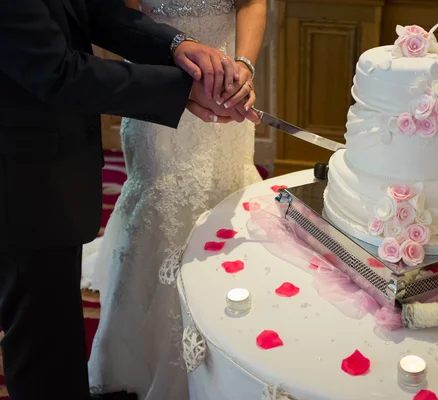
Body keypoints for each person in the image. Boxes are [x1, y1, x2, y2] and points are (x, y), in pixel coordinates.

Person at [0, 1, 257, 399]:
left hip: (50, 168)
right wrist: (178, 88)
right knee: (39, 336)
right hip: (20, 175)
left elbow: (90, 11)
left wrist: (175, 44)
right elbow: (58, 71)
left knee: (55, 323)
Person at [87, 0, 267, 398]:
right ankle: (146, 355)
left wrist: (243, 67)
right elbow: (120, 20)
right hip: (158, 92)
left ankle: (230, 338)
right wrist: (175, 83)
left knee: (224, 195)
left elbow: (253, 2)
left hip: (227, 93)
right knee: (161, 205)